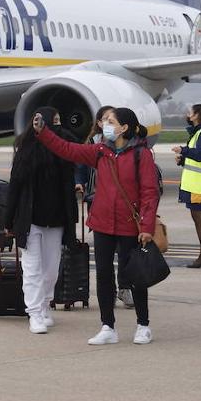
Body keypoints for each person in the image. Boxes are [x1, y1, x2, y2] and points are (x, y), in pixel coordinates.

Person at [35, 106, 159, 346]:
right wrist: (44, 133)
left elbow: (150, 193)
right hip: (102, 222)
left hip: (129, 225)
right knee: (103, 275)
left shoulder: (141, 154)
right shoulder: (100, 151)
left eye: (110, 120)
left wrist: (146, 226)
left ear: (124, 127)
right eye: (104, 120)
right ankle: (107, 326)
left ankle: (143, 325)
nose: (105, 124)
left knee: (134, 276)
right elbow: (68, 149)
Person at [5, 106, 78, 334]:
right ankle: (34, 312)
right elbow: (15, 185)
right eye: (52, 121)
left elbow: (74, 144)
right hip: (31, 220)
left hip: (56, 219)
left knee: (51, 270)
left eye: (58, 121)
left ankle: (46, 304)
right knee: (32, 268)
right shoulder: (26, 150)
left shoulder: (63, 150)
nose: (57, 125)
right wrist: (8, 219)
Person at [74, 105, 134, 309]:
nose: (109, 123)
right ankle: (108, 291)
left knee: (125, 250)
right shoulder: (93, 145)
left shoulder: (127, 146)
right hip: (97, 199)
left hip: (122, 204)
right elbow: (80, 166)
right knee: (104, 253)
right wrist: (79, 181)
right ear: (98, 123)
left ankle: (125, 287)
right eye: (106, 120)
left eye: (112, 120)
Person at [170, 103, 201, 268]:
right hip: (195, 184)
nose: (187, 114)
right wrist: (183, 159)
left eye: (190, 112)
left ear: (197, 115)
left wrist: (183, 150)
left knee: (200, 219)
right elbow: (197, 157)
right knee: (197, 218)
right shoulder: (200, 133)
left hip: (199, 184)